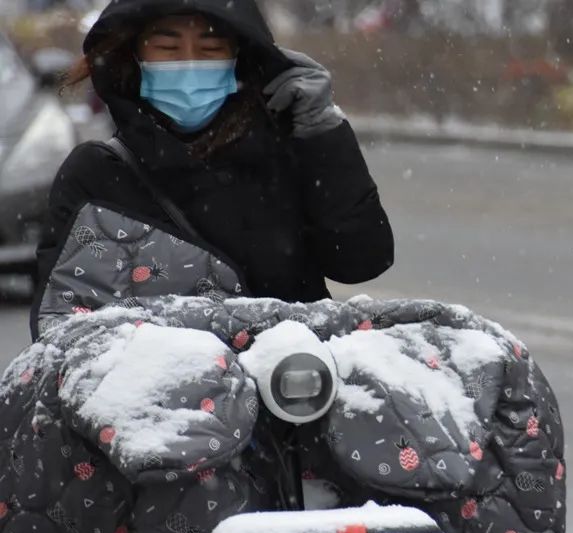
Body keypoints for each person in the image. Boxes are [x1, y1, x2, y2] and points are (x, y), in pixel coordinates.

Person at [29, 0, 394, 340]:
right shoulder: (95, 173)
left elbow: (361, 260)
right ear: (133, 57)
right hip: (158, 403)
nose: (189, 64)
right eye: (167, 49)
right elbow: (62, 328)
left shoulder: (286, 154)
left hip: (293, 393)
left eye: (210, 49)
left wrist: (323, 132)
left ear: (240, 57)